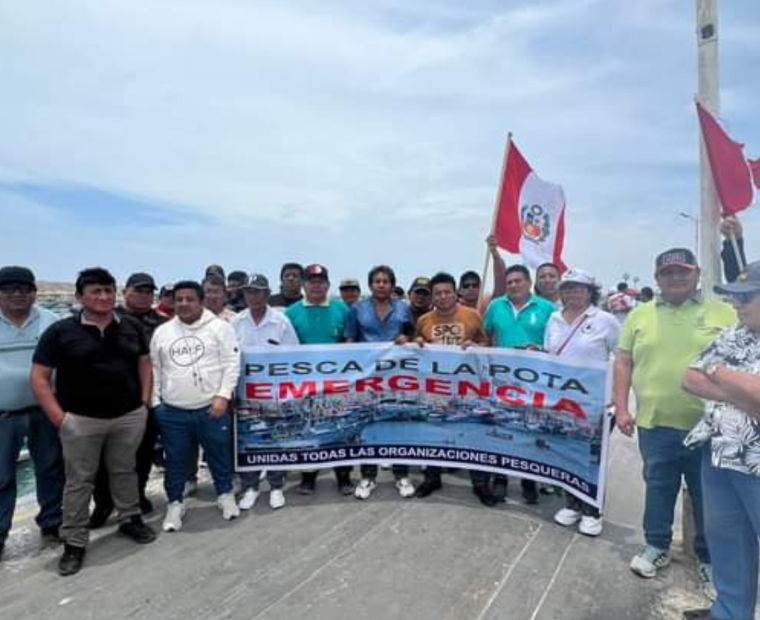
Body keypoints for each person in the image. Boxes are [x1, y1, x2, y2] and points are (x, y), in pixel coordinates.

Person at [613, 248, 735, 588]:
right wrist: (622, 407)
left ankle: (709, 557)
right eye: (668, 273)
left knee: (709, 495)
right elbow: (623, 362)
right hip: (655, 423)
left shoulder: (724, 313)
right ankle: (656, 545)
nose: (676, 278)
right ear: (657, 279)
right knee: (658, 487)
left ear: (697, 275)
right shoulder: (639, 316)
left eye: (683, 271)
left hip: (712, 426)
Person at [31, 267, 157, 577]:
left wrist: (143, 402)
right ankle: (74, 541)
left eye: (108, 291)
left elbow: (144, 363)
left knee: (124, 470)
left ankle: (130, 519)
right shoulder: (60, 332)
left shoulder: (130, 326)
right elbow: (39, 377)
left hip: (128, 415)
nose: (103, 297)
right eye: (95, 291)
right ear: (79, 297)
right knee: (79, 481)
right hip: (81, 419)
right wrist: (60, 419)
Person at [681, 260, 760, 620]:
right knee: (727, 540)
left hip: (756, 462)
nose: (737, 305)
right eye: (735, 298)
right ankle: (730, 612)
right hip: (719, 452)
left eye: (747, 297)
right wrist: (737, 388)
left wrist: (718, 371)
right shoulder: (735, 333)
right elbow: (690, 378)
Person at [150, 281, 241, 532]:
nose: (183, 304)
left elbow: (231, 364)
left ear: (201, 301)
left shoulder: (220, 328)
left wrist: (223, 396)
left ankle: (225, 494)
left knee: (218, 455)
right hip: (173, 411)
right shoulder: (163, 332)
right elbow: (155, 370)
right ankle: (175, 503)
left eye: (190, 299)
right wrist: (156, 404)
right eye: (178, 299)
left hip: (211, 408)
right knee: (176, 460)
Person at [544, 268, 620, 536]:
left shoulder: (605, 320)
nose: (572, 292)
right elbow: (549, 356)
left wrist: (618, 399)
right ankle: (572, 504)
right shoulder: (553, 319)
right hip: (562, 401)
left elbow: (622, 358)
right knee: (566, 452)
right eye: (567, 288)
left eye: (578, 288)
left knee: (592, 457)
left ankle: (592, 509)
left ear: (590, 292)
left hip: (595, 401)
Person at [89, 272, 168, 528]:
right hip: (110, 399)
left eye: (148, 291)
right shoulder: (110, 318)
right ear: (126, 292)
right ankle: (103, 502)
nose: (144, 295)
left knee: (143, 453)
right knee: (102, 458)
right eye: (139, 290)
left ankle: (136, 496)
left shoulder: (163, 323)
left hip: (148, 398)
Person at [413, 272, 497, 506]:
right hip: (436, 389)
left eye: (447, 291)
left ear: (455, 293)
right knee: (434, 434)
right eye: (437, 293)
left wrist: (476, 345)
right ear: (433, 296)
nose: (442, 296)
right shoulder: (424, 321)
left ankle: (480, 483)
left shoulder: (472, 315)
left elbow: (487, 344)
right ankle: (432, 477)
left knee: (473, 435)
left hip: (467, 389)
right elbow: (415, 346)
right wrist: (417, 343)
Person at [0, 266, 63, 561]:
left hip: (45, 410)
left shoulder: (50, 320)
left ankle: (52, 524)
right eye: (8, 289)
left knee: (51, 469)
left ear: (34, 293)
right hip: (4, 415)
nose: (16, 294)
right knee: (2, 477)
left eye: (23, 289)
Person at [484, 264, 556, 504]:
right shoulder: (496, 306)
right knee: (502, 428)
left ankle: (529, 479)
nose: (514, 285)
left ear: (528, 282)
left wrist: (541, 350)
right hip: (502, 381)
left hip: (535, 383)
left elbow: (556, 346)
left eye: (518, 281)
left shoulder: (548, 309)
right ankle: (501, 477)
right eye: (510, 282)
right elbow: (486, 337)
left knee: (530, 429)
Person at [345, 265, 416, 499]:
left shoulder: (404, 309)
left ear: (392, 284)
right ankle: (368, 476)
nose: (382, 284)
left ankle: (401, 474)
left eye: (386, 281)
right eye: (377, 281)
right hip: (367, 378)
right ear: (370, 284)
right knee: (368, 424)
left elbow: (413, 338)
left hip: (397, 377)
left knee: (398, 423)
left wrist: (406, 338)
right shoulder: (357, 309)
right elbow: (349, 340)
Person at [286, 264, 354, 496]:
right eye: (311, 281)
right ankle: (308, 477)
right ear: (304, 285)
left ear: (327, 284)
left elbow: (350, 340)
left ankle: (343, 476)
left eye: (320, 281)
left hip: (337, 384)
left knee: (339, 430)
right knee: (309, 431)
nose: (316, 285)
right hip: (305, 385)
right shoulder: (291, 312)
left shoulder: (342, 308)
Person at [233, 274, 299, 511]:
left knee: (274, 439)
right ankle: (250, 487)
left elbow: (294, 358)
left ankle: (276, 486)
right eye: (249, 291)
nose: (253, 296)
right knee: (250, 442)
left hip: (274, 394)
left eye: (258, 291)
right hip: (245, 394)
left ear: (267, 293)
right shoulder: (236, 322)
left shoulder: (280, 321)